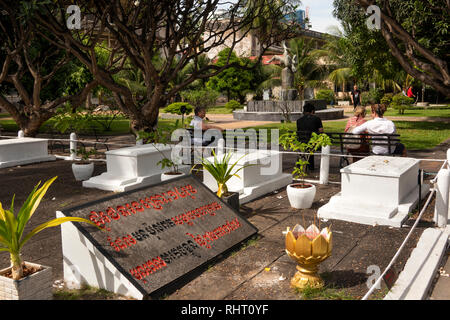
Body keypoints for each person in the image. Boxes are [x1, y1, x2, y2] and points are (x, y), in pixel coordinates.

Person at [296, 103, 323, 170]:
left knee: (308, 146)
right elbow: (321, 131)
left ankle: (300, 166)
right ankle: (311, 167)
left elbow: (299, 132)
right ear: (312, 111)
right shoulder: (317, 119)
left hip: (302, 143)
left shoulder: (299, 121)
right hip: (314, 144)